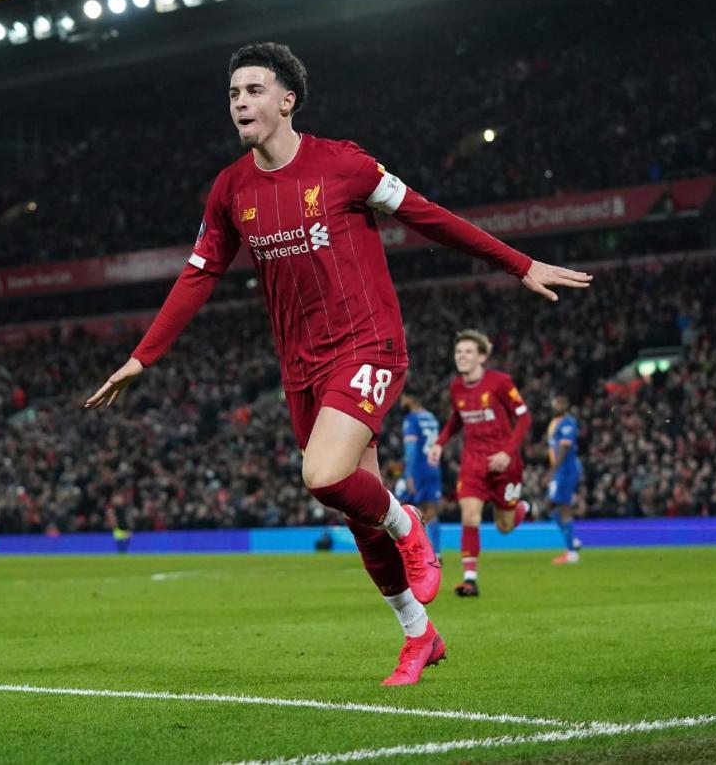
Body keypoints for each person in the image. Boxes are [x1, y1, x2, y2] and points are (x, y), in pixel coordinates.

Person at [85, 42, 591, 686]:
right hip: (300, 366)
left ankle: (410, 524)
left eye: (254, 90)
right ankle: (419, 636)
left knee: (323, 475)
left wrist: (519, 264)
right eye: (234, 92)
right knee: (359, 513)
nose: (240, 101)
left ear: (287, 99)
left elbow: (426, 216)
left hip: (367, 344)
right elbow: (198, 274)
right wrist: (141, 357)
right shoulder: (230, 188)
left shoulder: (344, 165)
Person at [427, 330, 532, 597]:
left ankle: (521, 508)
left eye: (468, 352)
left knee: (504, 527)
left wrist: (508, 452)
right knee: (469, 515)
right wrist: (440, 443)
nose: (461, 356)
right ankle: (470, 579)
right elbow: (457, 419)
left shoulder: (500, 382)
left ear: (482, 357)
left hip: (504, 462)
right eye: (458, 352)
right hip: (473, 461)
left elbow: (524, 418)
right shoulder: (456, 387)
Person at [399, 393, 443, 559]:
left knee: (401, 507)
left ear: (412, 399)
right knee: (431, 511)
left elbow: (411, 448)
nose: (401, 403)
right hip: (433, 467)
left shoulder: (411, 419)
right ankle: (436, 553)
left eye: (403, 399)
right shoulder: (431, 418)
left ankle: (408, 551)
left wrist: (409, 474)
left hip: (418, 469)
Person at [545, 394, 583, 564]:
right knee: (551, 504)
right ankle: (571, 540)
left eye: (561, 402)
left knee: (563, 506)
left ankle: (571, 553)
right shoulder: (555, 424)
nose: (558, 405)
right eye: (556, 402)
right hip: (561, 470)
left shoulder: (568, 423)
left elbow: (564, 449)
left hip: (565, 470)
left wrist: (553, 470)